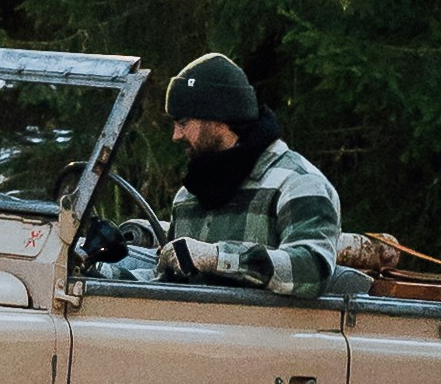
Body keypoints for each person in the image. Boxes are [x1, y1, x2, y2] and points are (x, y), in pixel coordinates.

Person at [147, 48, 345, 301]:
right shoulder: (190, 194)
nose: (175, 136)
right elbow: (168, 283)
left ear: (218, 118)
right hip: (196, 336)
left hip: (272, 339)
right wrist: (105, 269)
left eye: (183, 122)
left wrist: (217, 258)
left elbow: (313, 271)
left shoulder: (298, 182)